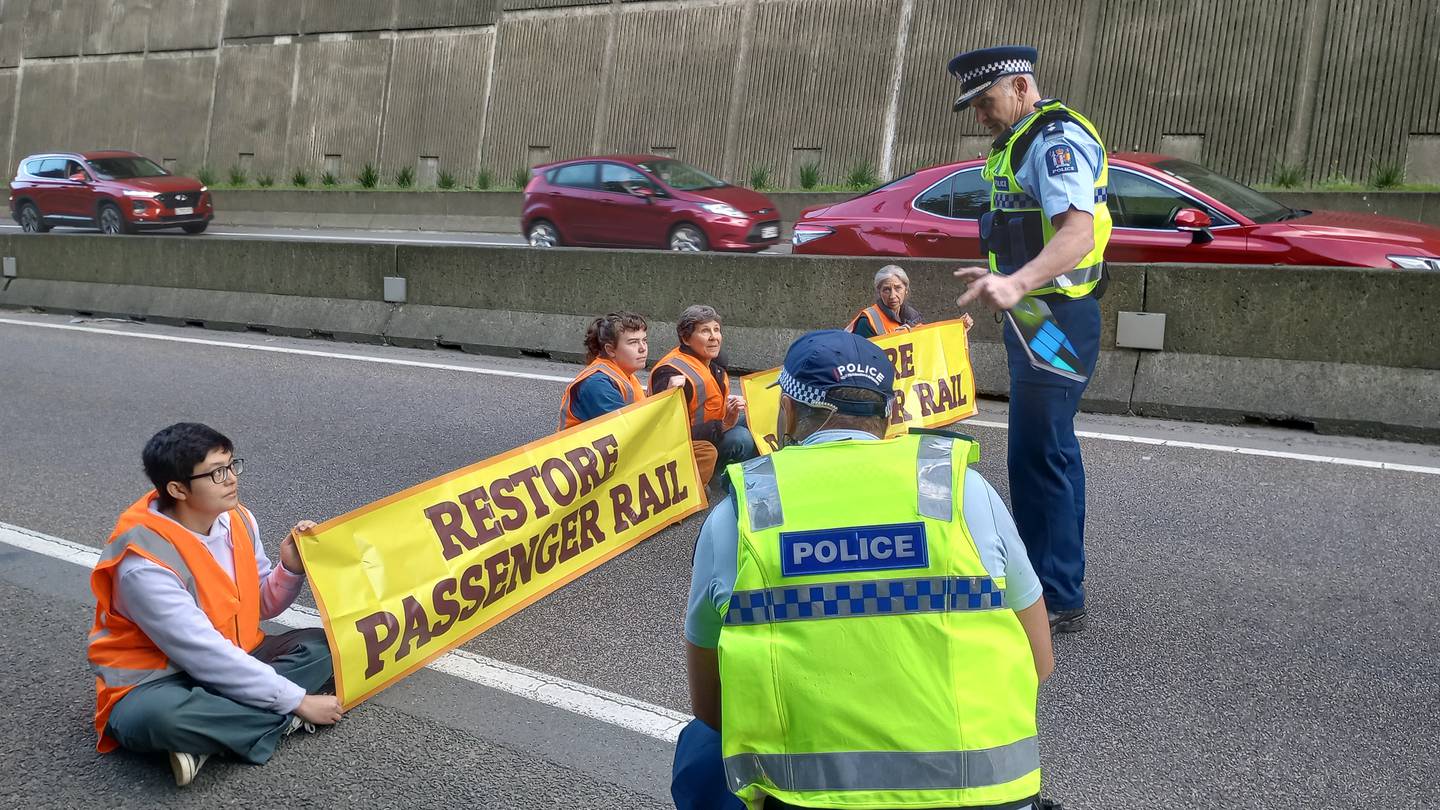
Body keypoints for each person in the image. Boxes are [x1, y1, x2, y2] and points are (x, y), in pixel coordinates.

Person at [677, 329, 1055, 809]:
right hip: (985, 794)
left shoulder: (746, 507)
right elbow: (1039, 662)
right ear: (891, 411)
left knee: (702, 748)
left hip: (806, 801)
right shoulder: (961, 488)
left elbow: (710, 707)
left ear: (788, 410)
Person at [948, 46, 1113, 633]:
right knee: (1047, 448)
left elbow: (1077, 231)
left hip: (1054, 316)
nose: (979, 116)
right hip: (1038, 315)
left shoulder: (1054, 140)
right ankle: (1056, 583)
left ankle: (1055, 593)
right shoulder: (1023, 141)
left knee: (1038, 452)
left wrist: (1017, 283)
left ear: (1020, 86)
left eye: (985, 102)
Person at [88, 423, 341, 787]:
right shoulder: (142, 564)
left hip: (236, 652)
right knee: (160, 721)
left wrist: (289, 567)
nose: (231, 479)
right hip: (156, 681)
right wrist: (297, 702)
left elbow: (260, 606)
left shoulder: (237, 518)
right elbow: (202, 654)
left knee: (325, 646)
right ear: (178, 489)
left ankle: (211, 737)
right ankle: (263, 720)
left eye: (231, 465)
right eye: (216, 473)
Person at [560, 311, 718, 483]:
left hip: (620, 455)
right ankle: (675, 491)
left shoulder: (625, 375)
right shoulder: (597, 383)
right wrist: (665, 400)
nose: (643, 348)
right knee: (701, 453)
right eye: (633, 342)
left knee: (702, 451)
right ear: (610, 350)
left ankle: (679, 487)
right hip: (589, 467)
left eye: (644, 340)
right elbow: (629, 436)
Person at [649, 305, 756, 481]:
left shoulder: (712, 362)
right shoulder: (672, 374)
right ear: (685, 338)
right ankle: (724, 481)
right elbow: (667, 432)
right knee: (741, 438)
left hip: (710, 430)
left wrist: (730, 413)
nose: (714, 337)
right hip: (688, 444)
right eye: (705, 331)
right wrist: (723, 426)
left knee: (754, 419)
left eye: (716, 330)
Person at [847, 264, 924, 337]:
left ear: (906, 290)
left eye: (898, 288)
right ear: (879, 292)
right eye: (886, 290)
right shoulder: (867, 321)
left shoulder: (914, 317)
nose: (892, 296)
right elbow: (862, 350)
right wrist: (894, 340)